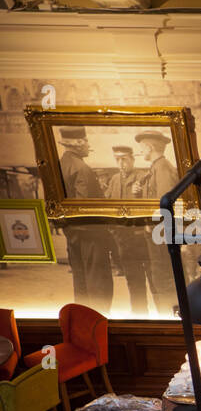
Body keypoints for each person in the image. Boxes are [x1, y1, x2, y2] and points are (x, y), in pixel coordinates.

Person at [56, 126, 114, 310]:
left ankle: (84, 326)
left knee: (80, 283)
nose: (89, 145)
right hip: (91, 234)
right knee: (98, 285)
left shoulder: (60, 164)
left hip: (72, 232)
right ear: (78, 144)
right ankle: (101, 324)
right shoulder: (81, 168)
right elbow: (86, 207)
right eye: (86, 141)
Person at [104, 146, 151, 315]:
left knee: (153, 279)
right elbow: (108, 203)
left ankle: (164, 316)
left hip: (141, 238)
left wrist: (139, 194)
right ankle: (140, 315)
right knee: (133, 281)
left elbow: (151, 203)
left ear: (132, 159)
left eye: (124, 159)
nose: (121, 163)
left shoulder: (143, 177)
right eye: (117, 159)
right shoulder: (115, 179)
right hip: (123, 239)